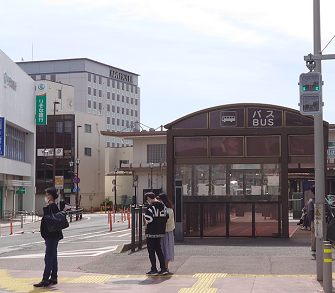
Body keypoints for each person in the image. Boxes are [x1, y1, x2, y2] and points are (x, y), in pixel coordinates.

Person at [34, 187, 63, 287]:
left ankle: (45, 279)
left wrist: (46, 236)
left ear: (50, 196)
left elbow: (49, 224)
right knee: (53, 256)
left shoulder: (51, 207)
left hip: (51, 236)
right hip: (54, 235)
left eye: (46, 195)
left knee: (49, 258)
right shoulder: (54, 207)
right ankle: (54, 277)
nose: (45, 197)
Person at [144, 192, 169, 276]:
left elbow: (148, 219)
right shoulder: (163, 206)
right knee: (159, 250)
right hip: (160, 231)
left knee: (151, 251)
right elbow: (167, 217)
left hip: (151, 231)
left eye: (147, 200)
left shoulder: (151, 207)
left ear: (148, 198)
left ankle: (153, 269)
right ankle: (163, 268)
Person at [307, 186, 333, 252]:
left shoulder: (311, 201)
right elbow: (329, 210)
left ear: (312, 192)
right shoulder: (324, 200)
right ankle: (323, 247)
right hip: (324, 219)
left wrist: (311, 219)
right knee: (323, 234)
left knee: (314, 234)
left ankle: (314, 248)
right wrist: (330, 219)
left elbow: (310, 211)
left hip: (314, 220)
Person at [157, 193, 175, 273]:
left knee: (165, 249)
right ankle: (163, 267)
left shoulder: (167, 210)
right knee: (164, 249)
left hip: (166, 231)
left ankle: (165, 267)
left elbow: (166, 221)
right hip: (166, 231)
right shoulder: (169, 209)